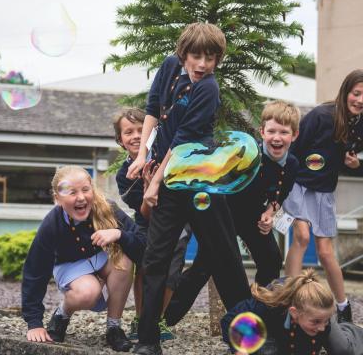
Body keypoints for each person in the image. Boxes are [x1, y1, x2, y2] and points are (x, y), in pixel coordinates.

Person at [127, 22, 250, 355]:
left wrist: (153, 183)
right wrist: (142, 156)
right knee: (155, 258)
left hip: (200, 179)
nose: (202, 64)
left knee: (225, 255)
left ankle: (250, 339)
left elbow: (182, 141)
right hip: (169, 181)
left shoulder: (208, 88)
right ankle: (148, 340)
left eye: (210, 57)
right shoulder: (169, 66)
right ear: (183, 54)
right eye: (196, 56)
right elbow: (153, 111)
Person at [164, 100, 301, 326]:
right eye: (272, 131)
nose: (277, 137)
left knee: (271, 259)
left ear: (294, 135)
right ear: (262, 132)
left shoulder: (293, 164)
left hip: (253, 217)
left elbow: (280, 194)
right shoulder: (248, 153)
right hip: (224, 215)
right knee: (202, 268)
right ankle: (166, 318)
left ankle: (261, 312)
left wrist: (270, 213)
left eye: (284, 132)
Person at [21, 165, 146, 352]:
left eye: (85, 190)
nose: (80, 197)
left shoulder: (107, 208)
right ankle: (61, 315)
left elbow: (143, 246)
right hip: (69, 266)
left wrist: (119, 234)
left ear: (92, 190)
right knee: (88, 293)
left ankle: (114, 327)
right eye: (72, 192)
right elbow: (35, 271)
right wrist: (34, 322)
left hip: (100, 259)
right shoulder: (52, 223)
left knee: (124, 260)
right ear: (57, 198)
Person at [284, 69, 363, 323]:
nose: (360, 100)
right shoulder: (320, 115)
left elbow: (351, 159)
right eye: (357, 93)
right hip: (299, 186)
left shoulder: (360, 125)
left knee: (326, 252)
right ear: (346, 91)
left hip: (325, 191)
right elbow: (294, 151)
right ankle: (291, 301)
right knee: (302, 236)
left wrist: (353, 165)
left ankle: (343, 308)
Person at [113, 107, 192, 341]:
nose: (136, 135)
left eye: (141, 130)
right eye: (128, 132)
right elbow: (146, 215)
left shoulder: (166, 158)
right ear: (120, 140)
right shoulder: (124, 174)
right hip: (147, 225)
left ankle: (159, 319)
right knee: (147, 265)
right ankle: (141, 317)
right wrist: (148, 187)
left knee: (172, 272)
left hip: (177, 223)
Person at [221, 269, 363, 355]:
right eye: (317, 322)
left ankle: (348, 327)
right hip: (281, 320)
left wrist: (322, 321)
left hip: (314, 313)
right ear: (294, 313)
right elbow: (228, 320)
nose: (321, 328)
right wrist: (240, 349)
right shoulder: (267, 306)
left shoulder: (321, 322)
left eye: (326, 320)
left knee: (343, 350)